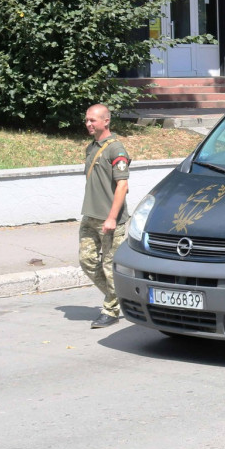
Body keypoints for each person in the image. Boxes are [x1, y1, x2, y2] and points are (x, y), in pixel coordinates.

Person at [79, 104, 131, 329]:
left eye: (93, 120)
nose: (89, 124)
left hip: (110, 220)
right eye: (87, 120)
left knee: (110, 266)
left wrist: (111, 218)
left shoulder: (115, 149)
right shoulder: (91, 147)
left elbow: (122, 186)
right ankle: (118, 297)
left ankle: (110, 309)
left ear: (106, 121)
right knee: (87, 260)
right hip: (90, 216)